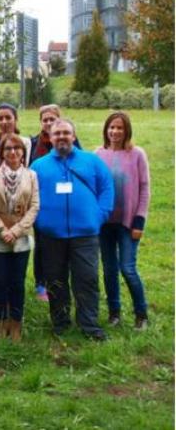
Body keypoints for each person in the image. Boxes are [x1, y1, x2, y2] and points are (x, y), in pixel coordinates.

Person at [31, 118, 113, 340]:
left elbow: (107, 187)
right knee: (55, 280)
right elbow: (29, 195)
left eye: (66, 133)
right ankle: (60, 322)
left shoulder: (91, 161)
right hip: (51, 235)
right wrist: (40, 220)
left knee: (86, 279)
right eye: (57, 134)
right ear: (50, 137)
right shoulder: (39, 166)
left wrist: (100, 214)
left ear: (74, 136)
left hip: (85, 233)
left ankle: (89, 324)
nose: (62, 137)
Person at [0, 134, 39, 342]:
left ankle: (16, 322)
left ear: (23, 152)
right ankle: (1, 321)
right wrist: (1, 229)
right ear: (1, 152)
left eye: (17, 148)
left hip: (21, 239)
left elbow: (34, 206)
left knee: (17, 282)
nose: (12, 152)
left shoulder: (31, 175)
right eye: (8, 149)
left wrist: (16, 231)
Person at [95, 112, 150, 330]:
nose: (115, 132)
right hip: (105, 223)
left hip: (128, 223)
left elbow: (145, 188)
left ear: (126, 130)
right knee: (109, 270)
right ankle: (114, 312)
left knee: (128, 268)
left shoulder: (137, 154)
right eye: (111, 127)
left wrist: (139, 221)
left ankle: (141, 314)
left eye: (119, 128)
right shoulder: (98, 154)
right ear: (106, 130)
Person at [29, 104, 81, 303]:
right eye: (45, 120)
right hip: (42, 202)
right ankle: (41, 282)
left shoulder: (70, 142)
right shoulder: (34, 143)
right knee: (41, 245)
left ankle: (65, 282)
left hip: (67, 205)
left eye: (52, 119)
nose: (49, 123)